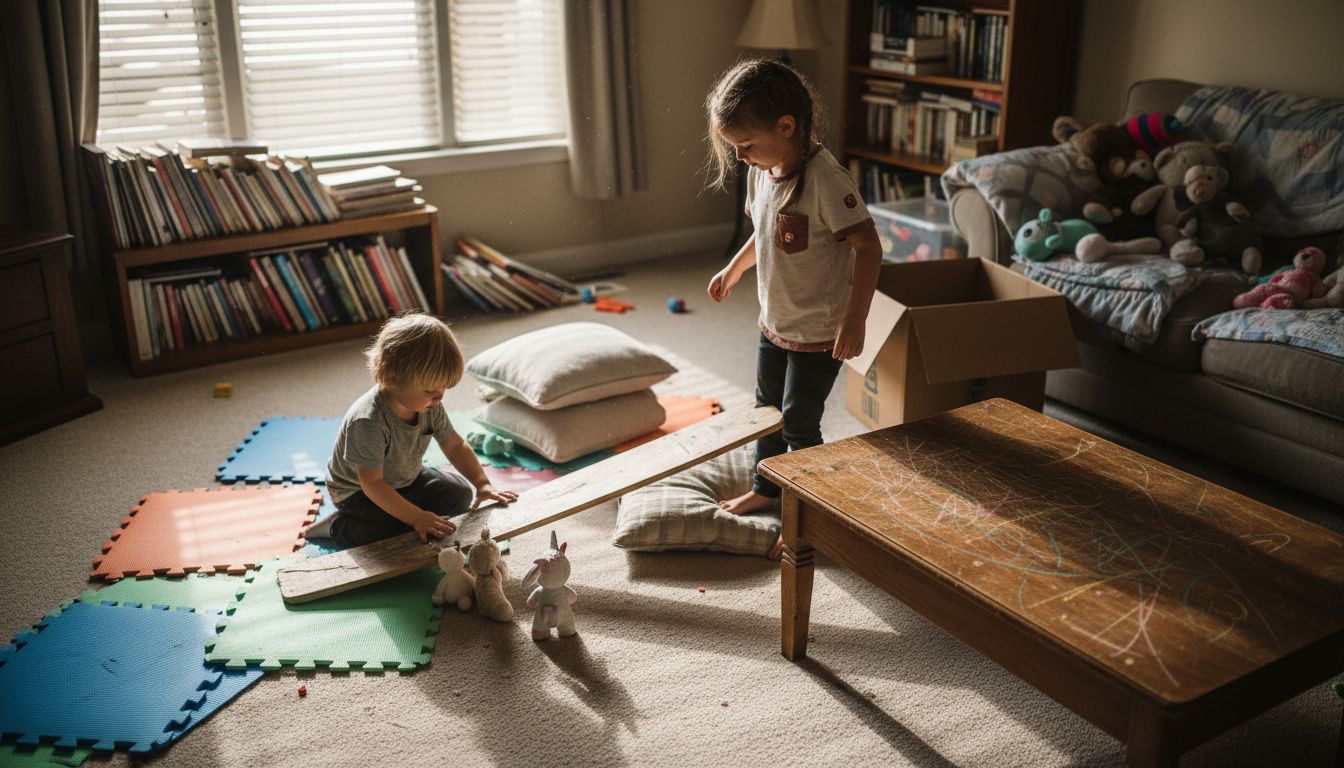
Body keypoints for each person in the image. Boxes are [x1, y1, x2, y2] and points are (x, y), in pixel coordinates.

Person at [704, 59, 882, 556]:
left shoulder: (827, 181)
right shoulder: (761, 172)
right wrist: (735, 269)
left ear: (786, 127)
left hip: (819, 331)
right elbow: (764, 232)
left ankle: (808, 513)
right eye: (734, 147)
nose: (740, 156)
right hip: (775, 321)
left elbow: (869, 248)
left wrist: (856, 317)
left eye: (746, 144)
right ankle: (766, 488)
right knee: (766, 413)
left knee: (799, 423)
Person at [306, 313, 517, 548]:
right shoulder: (367, 421)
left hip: (405, 477)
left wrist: (483, 484)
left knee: (460, 494)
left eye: (444, 388)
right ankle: (337, 527)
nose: (439, 397)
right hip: (358, 493)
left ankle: (410, 512)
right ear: (392, 377)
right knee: (397, 527)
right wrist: (417, 518)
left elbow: (455, 445)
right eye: (430, 390)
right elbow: (373, 484)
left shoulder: (430, 405)